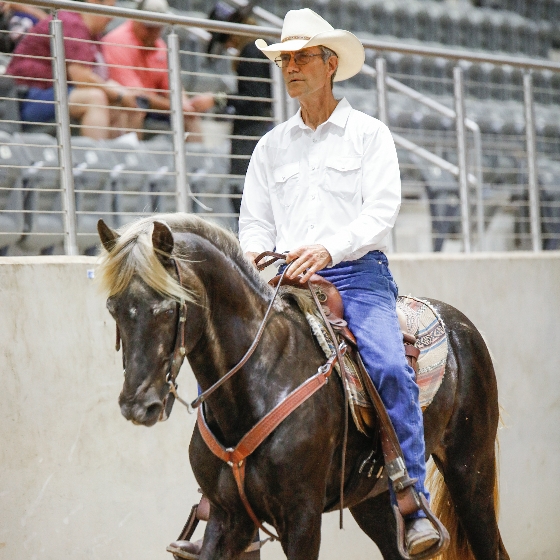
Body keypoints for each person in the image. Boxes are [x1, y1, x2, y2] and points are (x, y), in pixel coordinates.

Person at [239, 9, 441, 556]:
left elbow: (382, 211)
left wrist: (329, 248)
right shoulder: (269, 147)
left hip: (356, 276)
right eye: (284, 58)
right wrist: (263, 260)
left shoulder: (368, 134)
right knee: (233, 364)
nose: (290, 67)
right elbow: (253, 225)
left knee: (389, 366)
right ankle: (225, 503)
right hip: (282, 281)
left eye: (301, 56)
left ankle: (411, 497)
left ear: (331, 64)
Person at [6, 0, 142, 139]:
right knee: (95, 98)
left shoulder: (94, 35)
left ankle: (121, 155)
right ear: (94, 3)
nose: (112, 17)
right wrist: (118, 94)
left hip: (55, 94)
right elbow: (81, 77)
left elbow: (99, 78)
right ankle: (97, 156)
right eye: (110, 9)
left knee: (124, 101)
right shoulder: (71, 23)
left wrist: (121, 95)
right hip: (25, 99)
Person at [102, 0, 215, 141]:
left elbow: (172, 85)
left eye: (158, 27)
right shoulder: (117, 41)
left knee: (189, 116)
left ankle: (197, 161)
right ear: (135, 19)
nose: (154, 33)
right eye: (149, 27)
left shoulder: (160, 46)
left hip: (154, 106)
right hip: (126, 103)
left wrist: (185, 104)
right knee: (135, 107)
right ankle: (131, 160)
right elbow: (137, 96)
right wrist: (177, 106)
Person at [206, 1, 272, 216]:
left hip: (252, 132)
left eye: (225, 39)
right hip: (255, 129)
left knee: (243, 191)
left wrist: (218, 99)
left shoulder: (251, 51)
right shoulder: (257, 48)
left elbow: (255, 97)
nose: (226, 46)